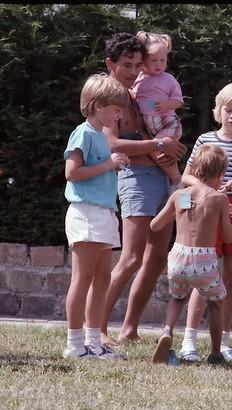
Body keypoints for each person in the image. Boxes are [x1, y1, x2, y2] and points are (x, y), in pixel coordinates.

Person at [99, 32, 188, 346]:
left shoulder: (138, 92)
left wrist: (167, 149)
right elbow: (112, 143)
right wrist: (160, 143)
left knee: (156, 258)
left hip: (161, 178)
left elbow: (158, 126)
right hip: (136, 179)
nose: (135, 71)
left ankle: (129, 329)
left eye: (139, 64)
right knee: (131, 257)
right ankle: (95, 328)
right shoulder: (110, 97)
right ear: (110, 64)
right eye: (128, 65)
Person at [177, 82, 232, 363]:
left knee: (231, 279)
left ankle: (224, 341)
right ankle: (189, 339)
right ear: (218, 110)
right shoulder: (205, 141)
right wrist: (210, 190)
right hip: (207, 214)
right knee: (202, 275)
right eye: (228, 110)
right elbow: (186, 177)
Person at [149, 144, 232, 364]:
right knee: (216, 303)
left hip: (178, 257)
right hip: (204, 260)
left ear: (196, 170)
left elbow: (155, 225)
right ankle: (216, 353)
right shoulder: (219, 200)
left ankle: (167, 331)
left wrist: (175, 214)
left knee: (177, 299)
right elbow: (228, 237)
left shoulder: (181, 195)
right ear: (222, 173)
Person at [63, 73, 130, 359]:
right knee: (83, 278)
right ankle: (75, 345)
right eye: (116, 109)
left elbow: (99, 167)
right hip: (86, 213)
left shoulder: (100, 136)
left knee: (102, 278)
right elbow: (72, 173)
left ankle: (94, 342)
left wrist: (112, 165)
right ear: (97, 105)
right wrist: (108, 165)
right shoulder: (83, 133)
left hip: (103, 213)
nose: (119, 114)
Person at [133, 31, 184, 187]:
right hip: (148, 125)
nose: (159, 64)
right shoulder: (139, 78)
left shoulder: (168, 79)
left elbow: (179, 101)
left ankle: (177, 180)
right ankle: (174, 183)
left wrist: (167, 104)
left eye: (163, 60)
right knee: (158, 151)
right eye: (153, 60)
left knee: (160, 150)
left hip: (168, 123)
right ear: (143, 60)